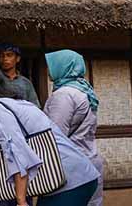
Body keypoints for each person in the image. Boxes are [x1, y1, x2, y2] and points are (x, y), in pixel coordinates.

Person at [0, 63, 100, 206]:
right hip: (80, 175)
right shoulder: (19, 102)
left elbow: (18, 152)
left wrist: (21, 200)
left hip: (69, 181)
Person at [0, 43, 39, 206]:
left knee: (20, 185)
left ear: (17, 59)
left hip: (19, 142)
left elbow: (34, 110)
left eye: (9, 55)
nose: (5, 59)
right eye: (2, 56)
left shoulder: (25, 84)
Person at [44, 50, 103, 206]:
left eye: (52, 65)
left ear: (63, 66)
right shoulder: (85, 91)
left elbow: (55, 135)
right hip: (90, 159)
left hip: (71, 167)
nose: (49, 69)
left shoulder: (63, 94)